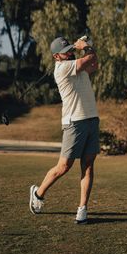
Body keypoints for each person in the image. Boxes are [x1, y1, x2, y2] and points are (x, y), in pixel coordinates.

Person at [29, 36, 100, 224]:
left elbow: (94, 64)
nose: (70, 53)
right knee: (64, 167)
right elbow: (88, 59)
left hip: (92, 119)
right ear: (56, 57)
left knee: (88, 166)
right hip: (74, 122)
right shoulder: (62, 68)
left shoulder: (75, 64)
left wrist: (87, 50)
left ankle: (82, 209)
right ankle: (38, 193)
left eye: (70, 49)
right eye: (66, 51)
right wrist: (86, 47)